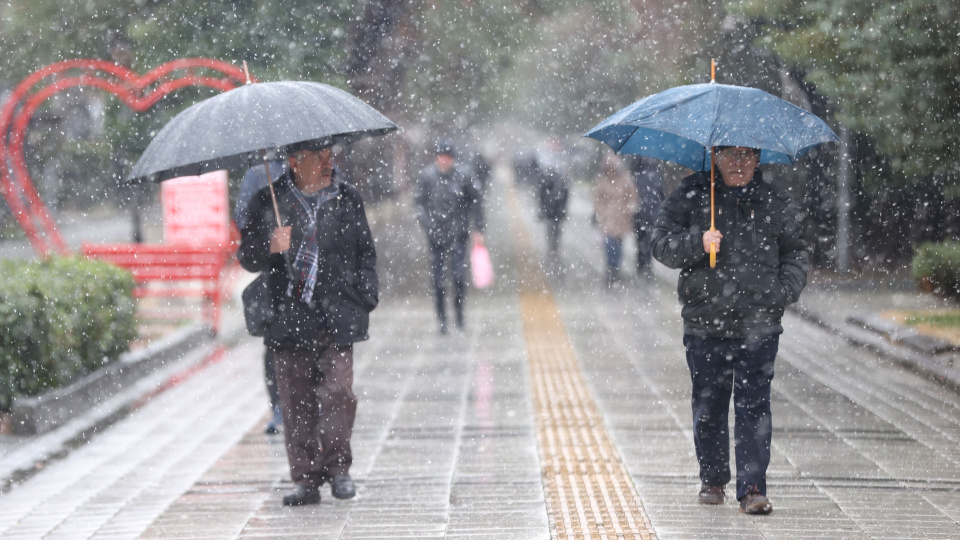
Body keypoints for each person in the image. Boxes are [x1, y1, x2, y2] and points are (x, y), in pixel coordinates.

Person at [650, 146, 809, 515]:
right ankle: (713, 477)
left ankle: (753, 488)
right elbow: (660, 243)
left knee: (754, 404)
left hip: (759, 323)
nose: (738, 163)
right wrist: (697, 241)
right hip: (706, 321)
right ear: (714, 157)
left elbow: (796, 252)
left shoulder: (774, 201)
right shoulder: (692, 194)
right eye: (729, 155)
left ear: (758, 159)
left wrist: (781, 292)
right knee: (709, 403)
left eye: (746, 155)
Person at [238, 141, 378, 506]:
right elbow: (247, 257)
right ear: (294, 162)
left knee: (339, 392)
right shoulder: (268, 200)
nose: (329, 164)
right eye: (319, 158)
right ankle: (305, 478)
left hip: (335, 314)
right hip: (288, 317)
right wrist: (270, 245)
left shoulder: (347, 198)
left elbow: (365, 251)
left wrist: (365, 294)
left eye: (330, 156)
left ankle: (338, 468)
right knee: (295, 400)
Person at [234, 160, 287, 435]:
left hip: (314, 284)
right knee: (276, 347)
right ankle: (279, 406)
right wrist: (272, 240)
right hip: (276, 282)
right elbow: (244, 221)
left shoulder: (320, 168)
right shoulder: (259, 175)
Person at [415, 141, 485, 334]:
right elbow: (419, 204)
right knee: (437, 279)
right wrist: (428, 225)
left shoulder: (463, 175)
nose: (444, 160)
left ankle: (459, 315)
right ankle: (442, 318)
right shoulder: (427, 177)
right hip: (435, 235)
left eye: (447, 157)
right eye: (441, 156)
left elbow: (476, 202)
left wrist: (478, 229)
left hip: (458, 234)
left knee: (458, 276)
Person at [592, 152, 637, 287]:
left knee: (618, 245)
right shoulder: (601, 180)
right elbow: (596, 197)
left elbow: (633, 196)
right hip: (607, 218)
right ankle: (610, 268)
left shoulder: (625, 179)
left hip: (621, 218)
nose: (611, 169)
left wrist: (629, 209)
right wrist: (601, 210)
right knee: (609, 244)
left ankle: (616, 269)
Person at [629, 157, 663, 277]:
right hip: (652, 215)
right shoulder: (657, 177)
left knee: (639, 241)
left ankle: (640, 265)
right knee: (649, 241)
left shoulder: (636, 176)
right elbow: (661, 195)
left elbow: (632, 195)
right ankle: (647, 266)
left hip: (639, 214)